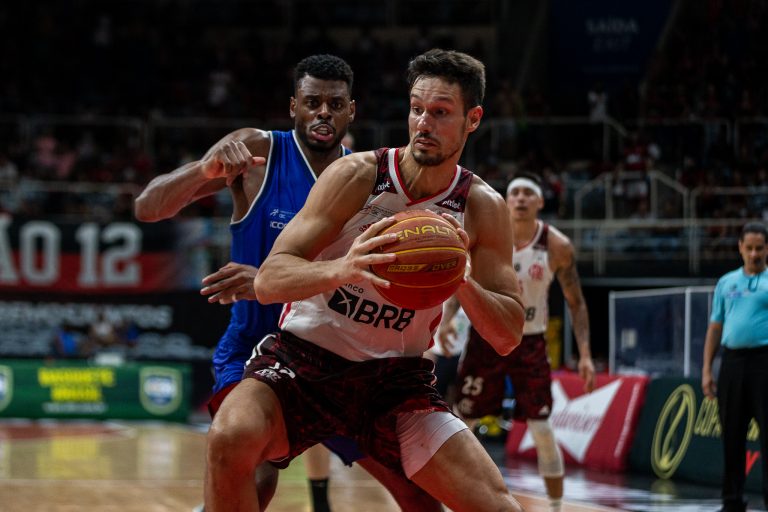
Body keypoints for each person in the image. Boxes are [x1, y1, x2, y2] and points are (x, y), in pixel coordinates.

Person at [205, 48, 526, 512]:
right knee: (229, 437)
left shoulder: (481, 206)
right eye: (416, 109)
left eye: (440, 113)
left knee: (495, 507)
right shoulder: (358, 174)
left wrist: (460, 278)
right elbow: (269, 281)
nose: (423, 123)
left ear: (472, 119)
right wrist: (344, 268)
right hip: (305, 362)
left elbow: (508, 335)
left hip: (395, 383)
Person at [134, 54, 439, 512]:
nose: (323, 113)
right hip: (258, 348)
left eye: (335, 104)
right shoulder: (258, 152)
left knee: (416, 493)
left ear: (352, 111)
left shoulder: (368, 177)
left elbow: (362, 279)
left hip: (338, 357)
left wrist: (265, 280)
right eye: (312, 102)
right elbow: (147, 207)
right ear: (293, 106)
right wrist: (203, 171)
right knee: (254, 475)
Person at [451, 172, 596, 512]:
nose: (519, 198)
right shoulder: (487, 233)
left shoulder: (557, 245)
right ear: (506, 199)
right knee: (462, 422)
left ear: (540, 202)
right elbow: (460, 276)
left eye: (527, 194)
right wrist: (446, 321)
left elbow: (576, 303)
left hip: (530, 342)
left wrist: (586, 355)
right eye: (514, 192)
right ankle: (452, 500)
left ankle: (556, 507)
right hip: (486, 336)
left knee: (542, 428)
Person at [702, 221, 768, 512]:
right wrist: (707, 368)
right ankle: (732, 501)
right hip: (732, 363)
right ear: (740, 247)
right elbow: (715, 327)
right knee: (731, 435)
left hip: (764, 363)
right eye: (749, 248)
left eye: (759, 248)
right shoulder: (726, 283)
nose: (754, 254)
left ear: (767, 249)